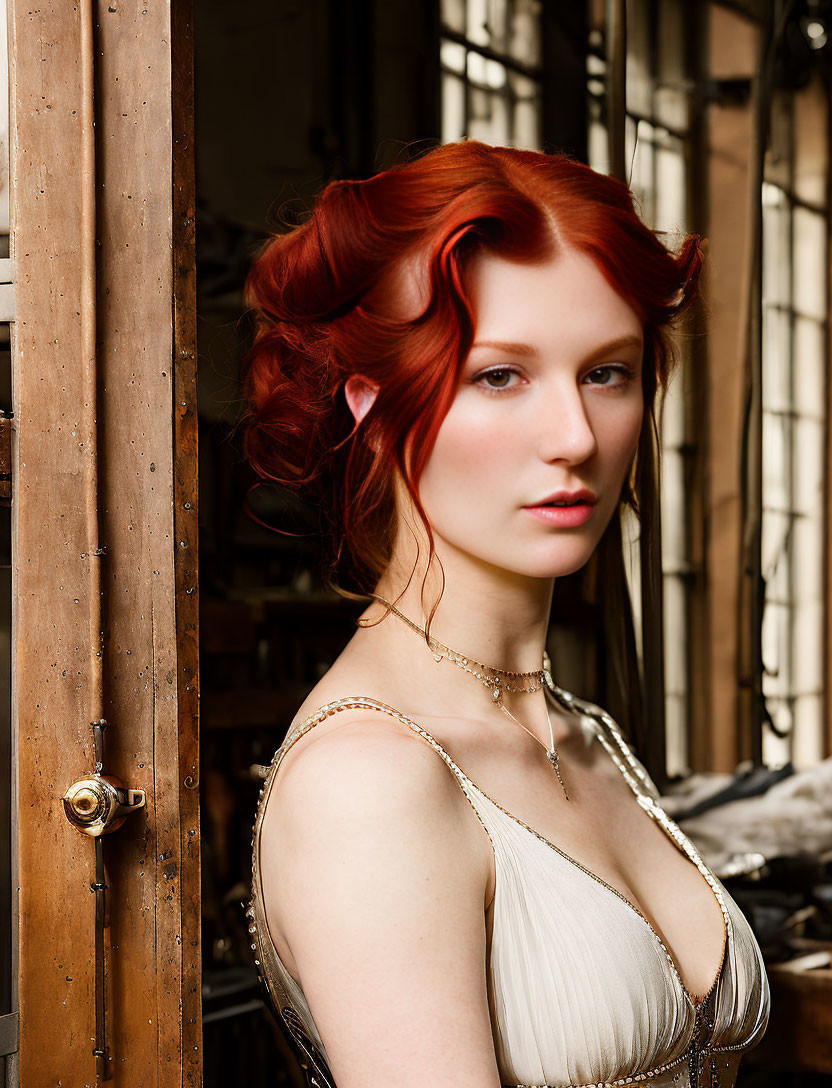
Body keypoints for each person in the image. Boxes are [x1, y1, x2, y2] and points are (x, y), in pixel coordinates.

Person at [243, 142, 770, 1088]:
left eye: (607, 372)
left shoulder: (580, 729)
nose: (574, 438)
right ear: (373, 402)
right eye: (500, 376)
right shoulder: (370, 783)